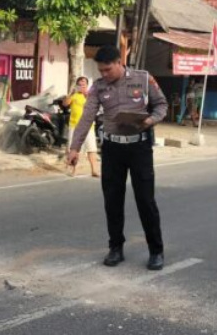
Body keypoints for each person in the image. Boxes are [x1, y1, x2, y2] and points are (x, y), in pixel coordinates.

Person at [67, 45, 168, 271]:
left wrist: (150, 121)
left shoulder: (143, 79)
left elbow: (161, 105)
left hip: (139, 148)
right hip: (112, 149)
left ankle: (156, 251)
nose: (104, 75)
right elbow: (86, 118)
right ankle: (116, 248)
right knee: (112, 202)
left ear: (119, 62)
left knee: (146, 201)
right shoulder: (99, 87)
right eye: (100, 71)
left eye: (107, 70)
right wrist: (74, 148)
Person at [63, 76, 99, 177]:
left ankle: (94, 170)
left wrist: (85, 94)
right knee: (74, 149)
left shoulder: (91, 94)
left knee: (91, 148)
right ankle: (74, 170)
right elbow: (65, 104)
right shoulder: (74, 95)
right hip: (74, 125)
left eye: (83, 84)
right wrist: (71, 93)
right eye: (80, 84)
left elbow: (94, 104)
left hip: (88, 126)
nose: (82, 86)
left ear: (87, 85)